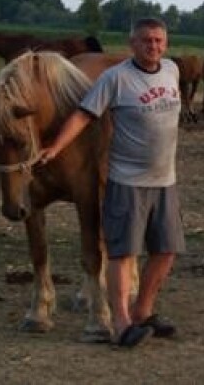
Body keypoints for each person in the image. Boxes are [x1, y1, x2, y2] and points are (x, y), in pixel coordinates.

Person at [39, 18, 185, 348]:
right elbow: (83, 115)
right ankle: (120, 324)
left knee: (166, 250)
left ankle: (142, 313)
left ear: (167, 43)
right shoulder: (115, 78)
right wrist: (56, 147)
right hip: (128, 181)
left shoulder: (172, 70)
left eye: (159, 40)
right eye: (146, 40)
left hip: (165, 181)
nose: (154, 46)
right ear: (132, 44)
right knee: (124, 251)